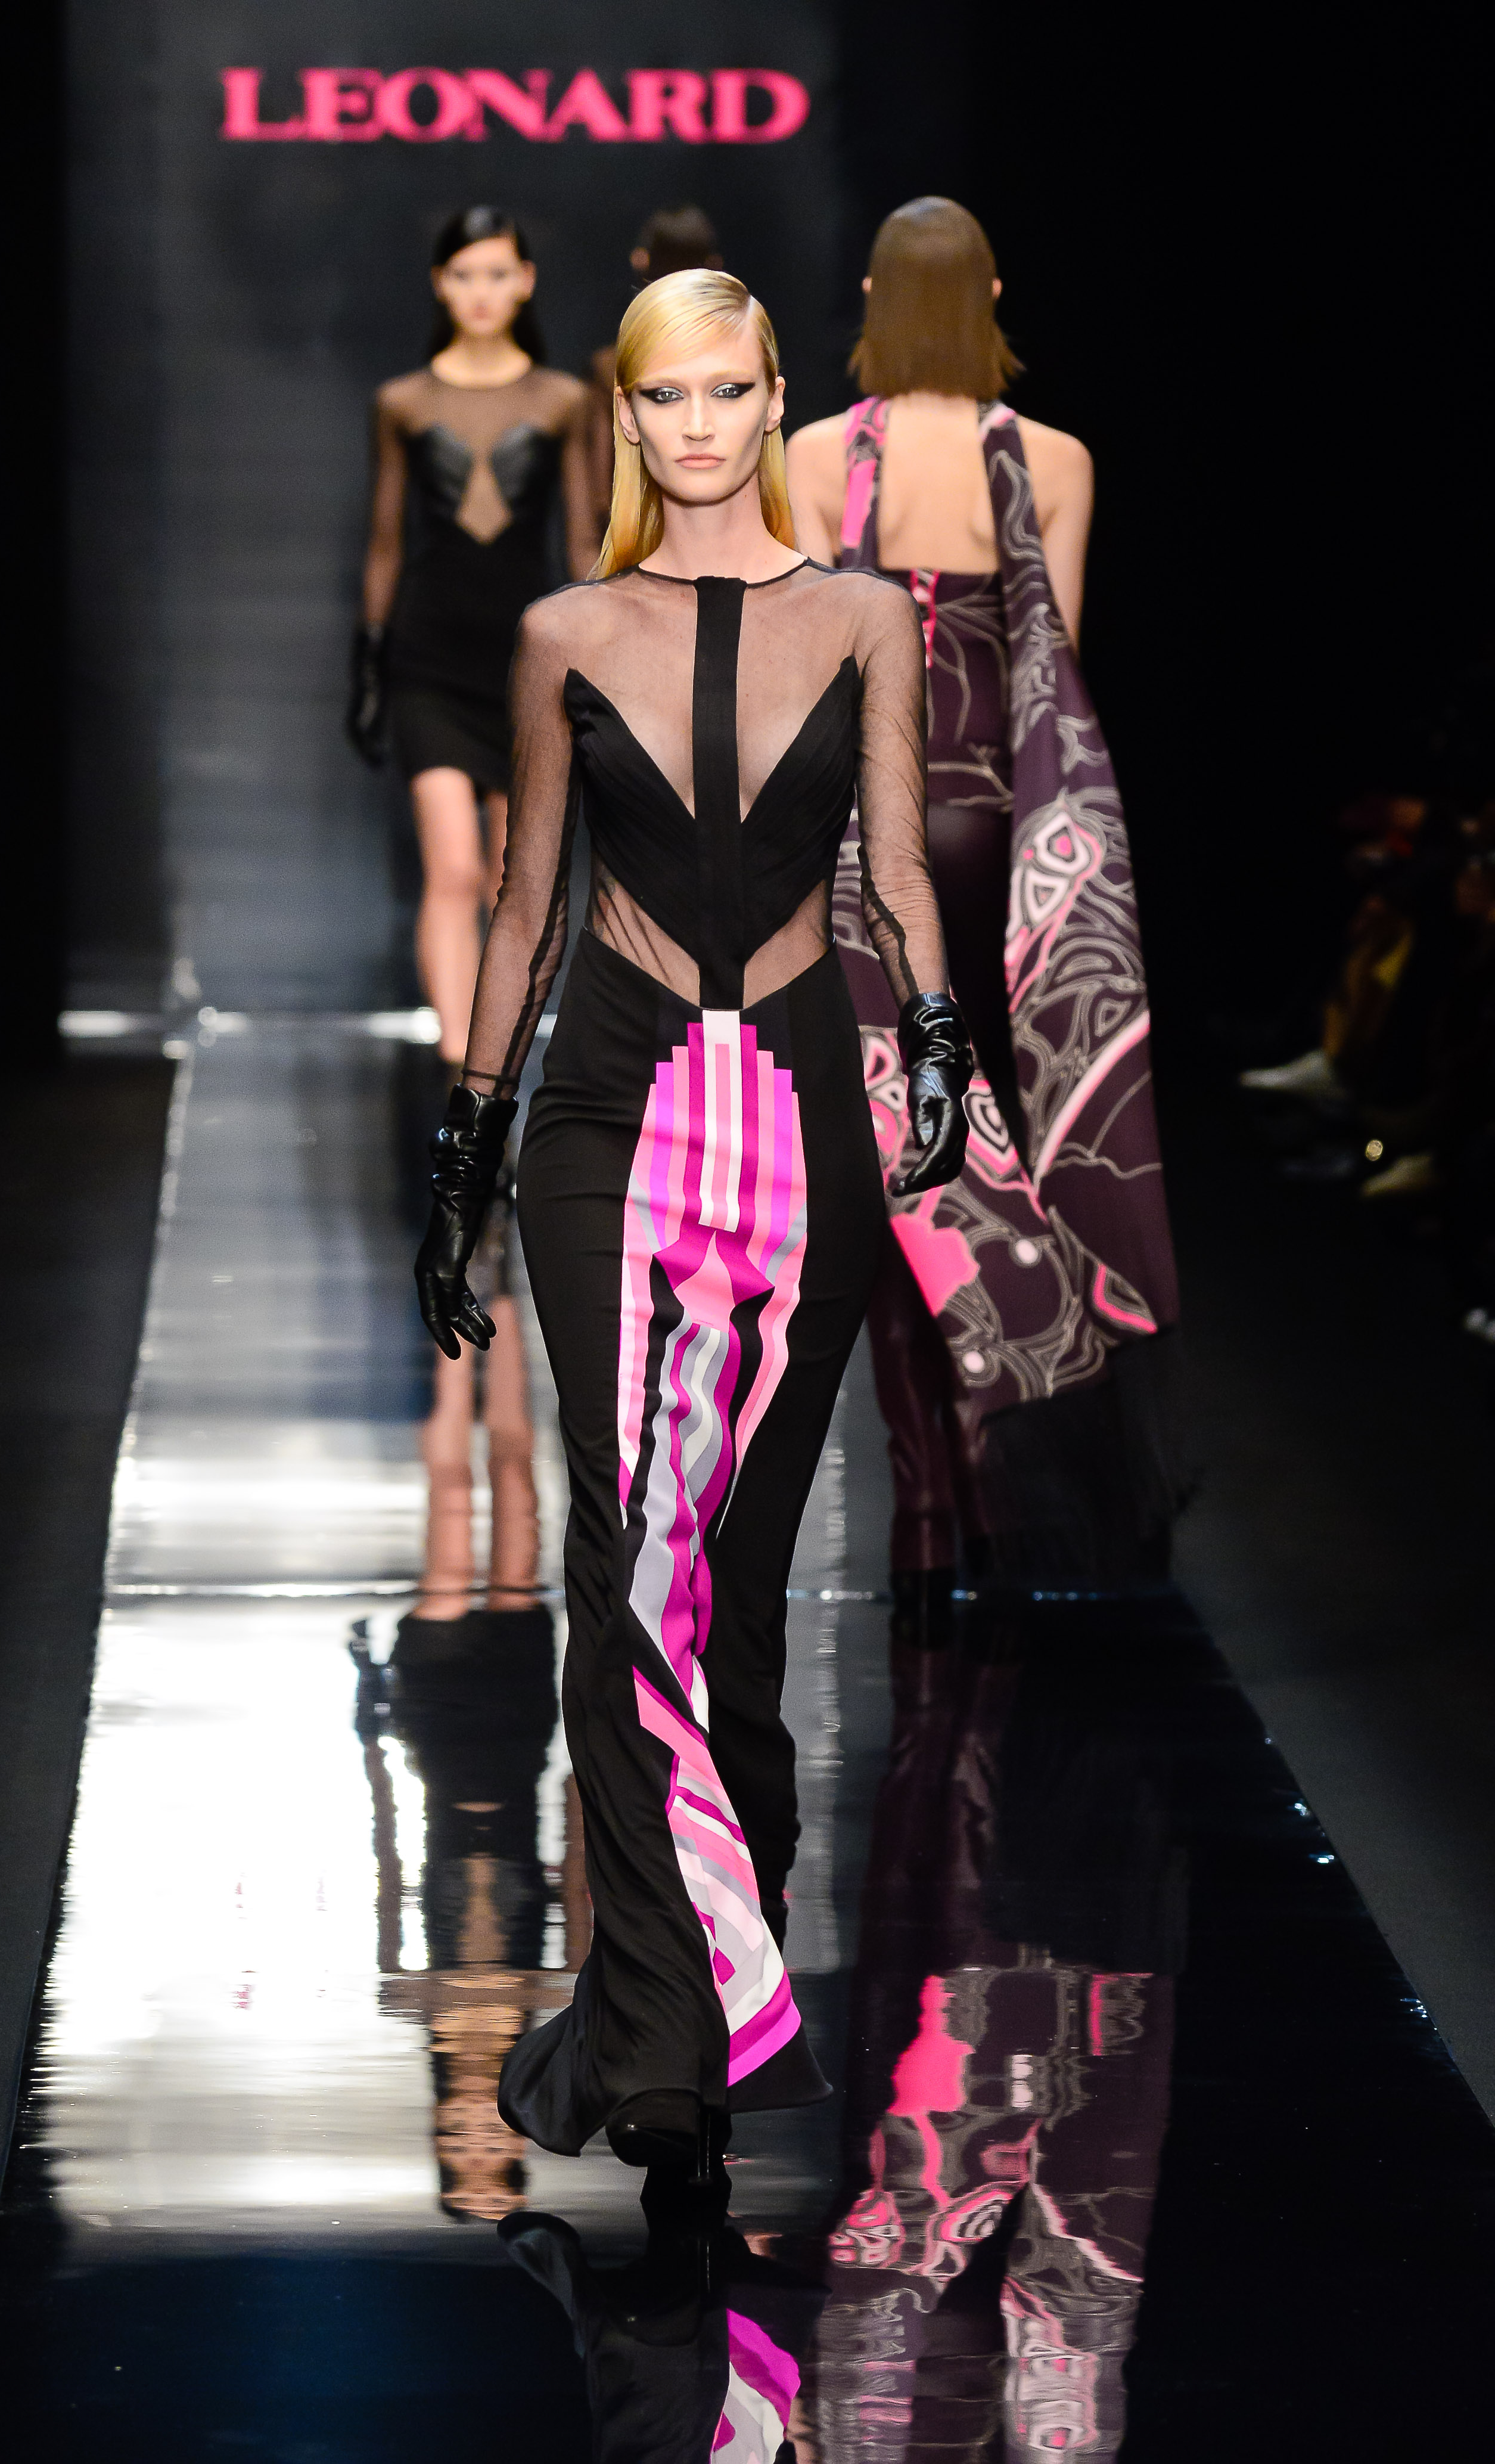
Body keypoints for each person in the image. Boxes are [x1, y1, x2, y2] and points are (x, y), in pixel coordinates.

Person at [411, 269, 975, 2193]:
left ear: (773, 396)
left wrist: (939, 1038)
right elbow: (522, 905)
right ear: (630, 420)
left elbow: (893, 867)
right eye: (667, 398)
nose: (702, 426)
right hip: (606, 1103)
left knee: (727, 1575)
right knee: (618, 1543)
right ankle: (663, 2038)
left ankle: (711, 1975)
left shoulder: (863, 616)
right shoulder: (564, 630)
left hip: (804, 1106)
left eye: (730, 390)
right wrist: (464, 1149)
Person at [787, 197, 1183, 1600]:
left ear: (871, 300)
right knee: (1012, 1151)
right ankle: (1012, 1481)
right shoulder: (1054, 460)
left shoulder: (813, 457)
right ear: (993, 296)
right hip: (1004, 848)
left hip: (862, 845)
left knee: (894, 1155)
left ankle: (923, 1504)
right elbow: (1048, 663)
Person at [347, 207, 598, 1069]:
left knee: (510, 879)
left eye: (497, 273)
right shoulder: (404, 402)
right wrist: (369, 661)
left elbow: (581, 535)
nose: (481, 292)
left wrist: (600, 650)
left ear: (525, 282)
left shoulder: (562, 400)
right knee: (453, 869)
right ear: (439, 285)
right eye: (464, 275)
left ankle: (497, 1056)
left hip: (527, 659)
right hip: (429, 656)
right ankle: (461, 1062)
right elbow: (386, 540)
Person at [584, 206, 725, 535]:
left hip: (638, 534)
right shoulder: (738, 363)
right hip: (720, 530)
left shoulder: (611, 367)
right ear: (714, 266)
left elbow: (601, 495)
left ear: (641, 260)